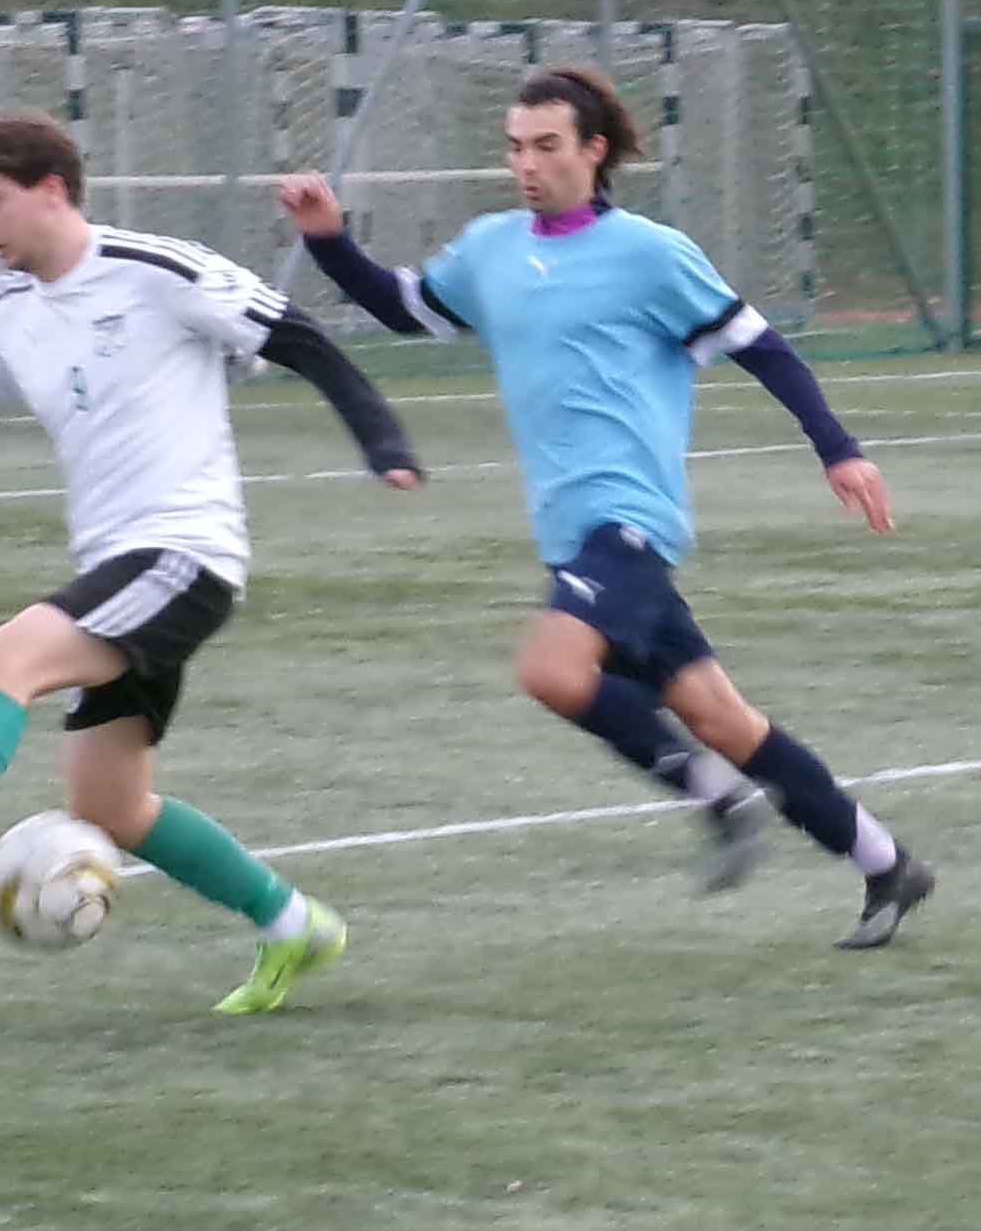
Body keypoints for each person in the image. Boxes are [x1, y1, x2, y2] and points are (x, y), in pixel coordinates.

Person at [0, 112, 423, 1015]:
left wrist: (383, 442)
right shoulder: (7, 311)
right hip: (120, 563)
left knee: (6, 657)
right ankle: (294, 925)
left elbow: (301, 340)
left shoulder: (157, 271)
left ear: (51, 191)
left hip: (185, 553)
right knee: (111, 807)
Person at [272, 66, 936, 949]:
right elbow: (403, 306)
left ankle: (716, 797)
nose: (527, 163)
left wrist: (837, 447)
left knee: (552, 670)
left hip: (629, 521)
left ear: (593, 151)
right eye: (515, 147)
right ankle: (887, 864)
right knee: (723, 720)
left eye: (547, 145)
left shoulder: (650, 254)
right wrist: (327, 239)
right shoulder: (490, 249)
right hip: (569, 533)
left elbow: (762, 348)